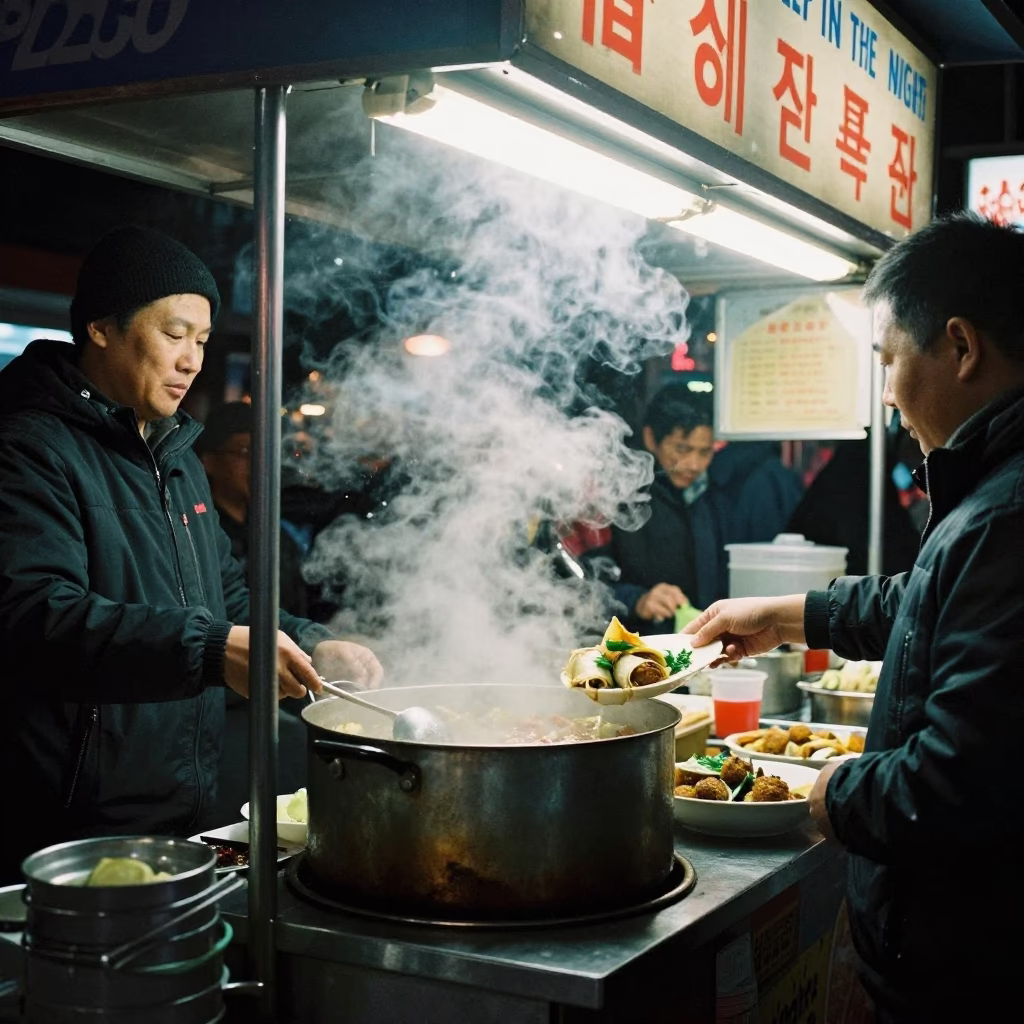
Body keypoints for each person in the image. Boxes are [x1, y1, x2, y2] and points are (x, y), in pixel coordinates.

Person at [683, 212, 1024, 1019]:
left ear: (961, 347)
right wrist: (796, 614)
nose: (885, 393)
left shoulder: (1009, 511)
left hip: (975, 971)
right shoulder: (996, 489)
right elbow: (933, 599)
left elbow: (961, 783)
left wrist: (825, 792)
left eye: (888, 360)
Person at [0, 225, 382, 883]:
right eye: (174, 334)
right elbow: (35, 616)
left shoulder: (174, 459)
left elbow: (227, 601)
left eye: (202, 341)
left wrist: (312, 643)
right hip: (72, 826)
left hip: (186, 806)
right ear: (101, 328)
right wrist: (207, 650)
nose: (192, 360)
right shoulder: (30, 447)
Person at [599, 385, 729, 632]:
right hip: (635, 647)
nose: (694, 464)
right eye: (682, 449)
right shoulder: (620, 498)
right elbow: (585, 583)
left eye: (705, 451)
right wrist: (637, 600)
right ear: (651, 439)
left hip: (698, 648)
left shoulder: (711, 498)